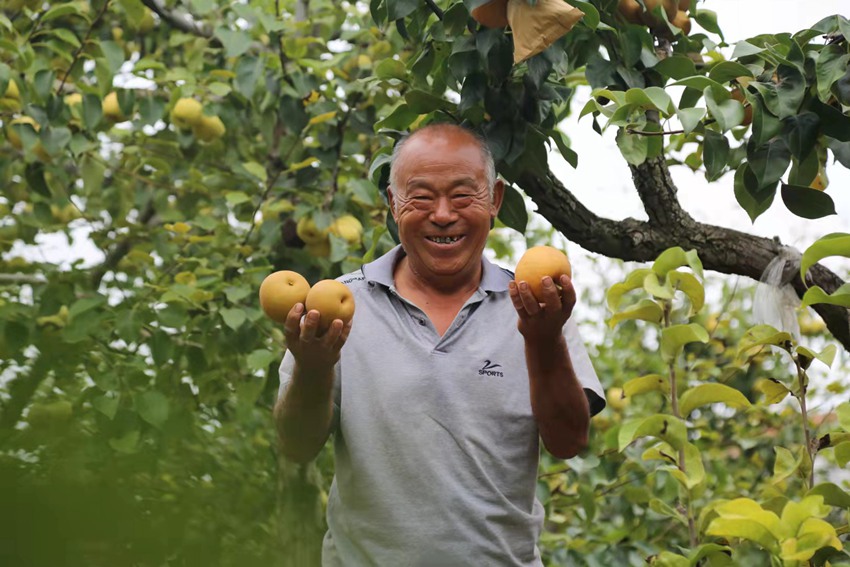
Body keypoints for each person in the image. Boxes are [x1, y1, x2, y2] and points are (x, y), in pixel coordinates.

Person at [273, 123, 605, 566]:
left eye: (463, 195)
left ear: (495, 201)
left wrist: (542, 341)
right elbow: (295, 445)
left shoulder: (536, 304)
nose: (444, 214)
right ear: (393, 204)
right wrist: (312, 368)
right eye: (422, 197)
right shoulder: (339, 307)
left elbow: (568, 440)